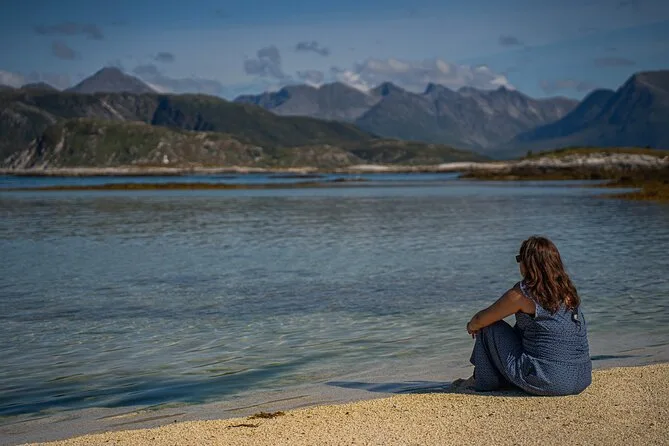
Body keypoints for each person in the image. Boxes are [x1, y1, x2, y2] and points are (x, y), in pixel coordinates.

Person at [462, 235, 592, 396]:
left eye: (519, 259)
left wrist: (471, 326)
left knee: (489, 326)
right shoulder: (567, 290)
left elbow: (480, 319)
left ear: (528, 264)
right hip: (581, 378)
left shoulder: (524, 294)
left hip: (550, 381)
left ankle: (485, 382)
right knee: (523, 328)